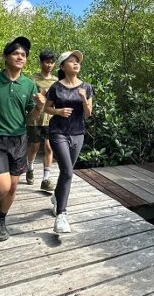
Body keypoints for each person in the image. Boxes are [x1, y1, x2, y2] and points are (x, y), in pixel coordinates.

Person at [0, 36, 46, 241]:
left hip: (18, 140)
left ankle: (1, 220)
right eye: (15, 53)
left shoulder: (29, 85)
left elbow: (30, 117)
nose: (20, 57)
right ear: (6, 57)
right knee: (2, 186)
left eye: (23, 55)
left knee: (13, 186)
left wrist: (40, 107)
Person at [44, 50, 93, 233]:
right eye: (71, 61)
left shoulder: (86, 87)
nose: (76, 64)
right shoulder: (56, 87)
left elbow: (88, 114)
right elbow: (47, 109)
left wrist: (83, 99)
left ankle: (57, 198)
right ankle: (61, 215)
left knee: (67, 172)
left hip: (78, 133)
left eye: (77, 61)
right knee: (67, 171)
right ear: (63, 66)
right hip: (58, 132)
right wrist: (58, 112)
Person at [25, 50, 58, 191]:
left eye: (52, 62)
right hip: (35, 119)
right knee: (34, 147)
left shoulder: (56, 81)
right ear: (41, 62)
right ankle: (30, 168)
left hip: (50, 119)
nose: (49, 65)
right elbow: (28, 98)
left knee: (49, 147)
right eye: (47, 62)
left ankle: (46, 179)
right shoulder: (32, 79)